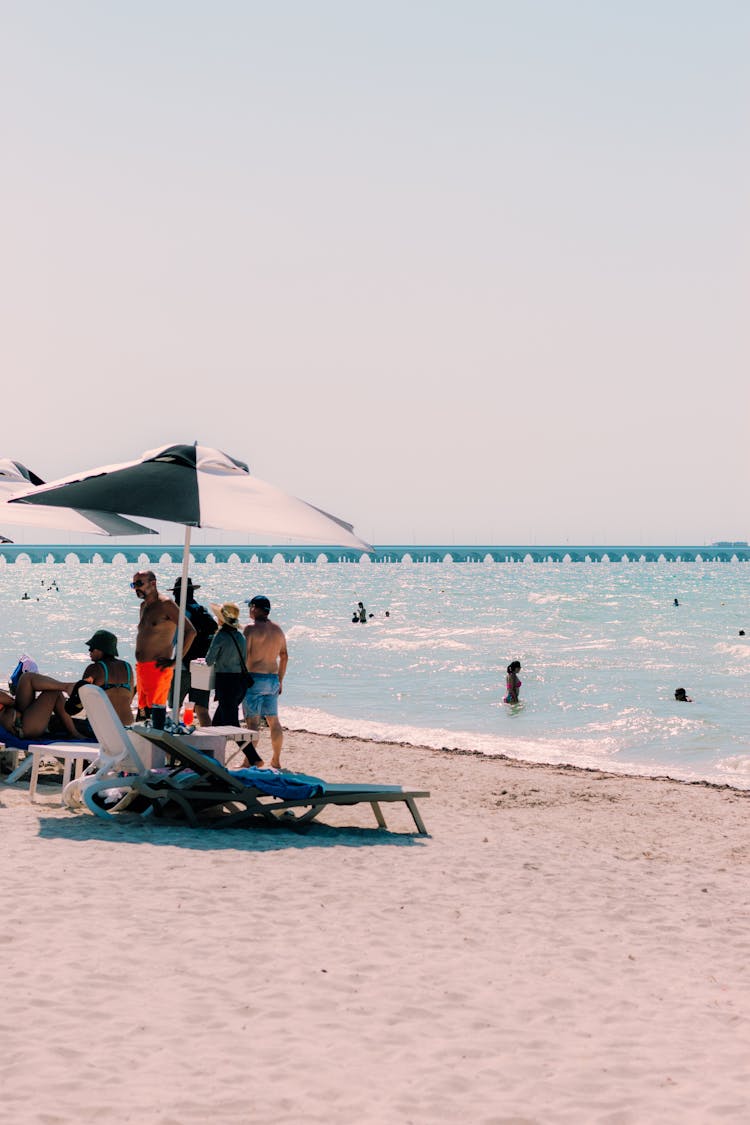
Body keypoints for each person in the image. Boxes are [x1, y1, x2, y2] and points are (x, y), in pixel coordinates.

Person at [132, 570, 196, 727]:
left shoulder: (166, 604)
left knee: (156, 717)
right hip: (142, 669)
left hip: (158, 669)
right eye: (133, 584)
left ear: (153, 583)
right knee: (143, 717)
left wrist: (176, 661)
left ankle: (159, 751)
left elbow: (190, 631)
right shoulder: (143, 606)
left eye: (139, 583)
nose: (136, 588)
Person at [242, 595, 288, 769]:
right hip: (272, 679)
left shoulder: (250, 629)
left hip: (254, 678)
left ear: (255, 608)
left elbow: (243, 656)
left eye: (250, 607)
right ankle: (276, 760)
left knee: (252, 723)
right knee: (273, 721)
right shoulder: (278, 630)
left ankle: (249, 761)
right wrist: (280, 680)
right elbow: (284, 656)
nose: (249, 611)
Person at [170, 577, 217, 726]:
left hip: (182, 666)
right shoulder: (202, 610)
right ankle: (211, 741)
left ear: (177, 594)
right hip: (202, 666)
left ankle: (175, 741)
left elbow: (172, 641)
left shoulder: (178, 613)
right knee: (201, 709)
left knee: (175, 708)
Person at [69, 630, 135, 730]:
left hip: (102, 729)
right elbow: (129, 700)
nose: (89, 651)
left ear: (101, 650)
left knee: (58, 721)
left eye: (92, 648)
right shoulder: (127, 667)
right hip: (127, 727)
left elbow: (74, 708)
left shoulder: (95, 668)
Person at [0, 671, 80, 740]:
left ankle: (67, 686)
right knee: (54, 692)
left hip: (17, 717)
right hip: (21, 727)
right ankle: (74, 733)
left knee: (27, 678)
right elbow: (9, 701)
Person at [206, 603, 249, 727]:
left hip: (225, 683)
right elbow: (244, 660)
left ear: (222, 619)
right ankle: (213, 747)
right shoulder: (241, 637)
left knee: (232, 725)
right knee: (217, 723)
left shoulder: (220, 636)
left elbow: (209, 660)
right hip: (240, 682)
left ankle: (249, 748)